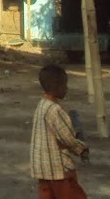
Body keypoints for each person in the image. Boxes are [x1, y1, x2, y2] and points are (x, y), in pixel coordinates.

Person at [31, 64, 89, 198]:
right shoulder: (56, 110)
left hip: (43, 168)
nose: (67, 89)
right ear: (57, 87)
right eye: (65, 85)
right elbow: (67, 138)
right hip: (59, 168)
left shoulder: (41, 106)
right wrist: (82, 149)